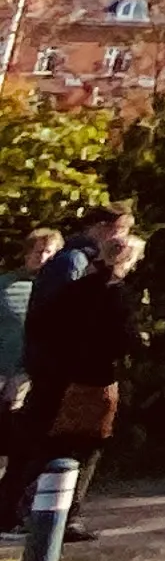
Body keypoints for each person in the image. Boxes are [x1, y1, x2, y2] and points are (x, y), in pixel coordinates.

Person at [1, 206, 130, 526]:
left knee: (39, 442)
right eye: (122, 230)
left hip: (57, 368)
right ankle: (37, 517)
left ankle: (31, 514)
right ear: (104, 229)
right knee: (47, 444)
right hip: (62, 372)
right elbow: (67, 317)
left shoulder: (78, 261)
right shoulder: (75, 262)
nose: (124, 238)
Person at [0, 228, 61, 414]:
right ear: (27, 253)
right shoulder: (5, 284)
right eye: (38, 251)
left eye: (49, 252)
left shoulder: (58, 288)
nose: (42, 257)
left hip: (28, 371)